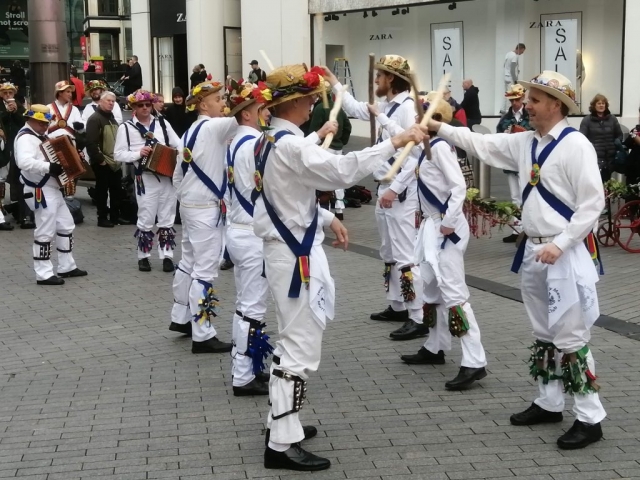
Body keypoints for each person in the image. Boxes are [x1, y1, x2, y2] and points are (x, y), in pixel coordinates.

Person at [251, 63, 427, 471]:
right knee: (298, 346)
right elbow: (340, 170)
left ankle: (283, 425)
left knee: (293, 342)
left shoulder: (270, 140)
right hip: (293, 254)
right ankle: (280, 443)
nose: (315, 102)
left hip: (287, 249)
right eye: (310, 98)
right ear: (292, 103)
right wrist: (393, 142)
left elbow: (292, 188)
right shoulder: (289, 145)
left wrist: (329, 219)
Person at [428, 70, 606, 450]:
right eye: (527, 98)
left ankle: (590, 418)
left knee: (571, 336)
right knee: (543, 332)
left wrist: (561, 243)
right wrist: (439, 127)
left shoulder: (576, 146)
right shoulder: (524, 142)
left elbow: (593, 204)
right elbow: (480, 143)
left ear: (555, 105)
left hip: (564, 254)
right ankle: (549, 401)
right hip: (532, 252)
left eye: (535, 99)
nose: (526, 104)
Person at [326, 55, 426, 342]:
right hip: (385, 187)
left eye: (378, 77)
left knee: (405, 253)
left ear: (391, 79)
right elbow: (356, 108)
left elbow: (416, 157)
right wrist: (334, 84)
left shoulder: (407, 110)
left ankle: (417, 314)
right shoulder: (386, 105)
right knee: (388, 251)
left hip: (401, 190)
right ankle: (397, 304)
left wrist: (396, 189)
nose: (375, 81)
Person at [399, 94, 487, 390]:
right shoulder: (426, 149)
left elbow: (459, 186)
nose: (413, 120)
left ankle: (474, 361)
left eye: (418, 115)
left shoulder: (439, 148)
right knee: (431, 288)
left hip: (444, 228)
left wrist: (448, 222)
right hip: (431, 226)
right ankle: (436, 346)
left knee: (453, 293)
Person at [170, 81, 235, 354]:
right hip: (205, 209)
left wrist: (186, 198)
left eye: (222, 98)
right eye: (218, 99)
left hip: (189, 206)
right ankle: (203, 333)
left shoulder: (190, 131)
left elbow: (177, 176)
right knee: (205, 270)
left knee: (189, 261)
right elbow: (244, 115)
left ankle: (181, 317)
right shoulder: (211, 126)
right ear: (203, 105)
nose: (223, 103)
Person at [223, 78, 271, 395]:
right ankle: (243, 375)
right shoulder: (253, 144)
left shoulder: (235, 142)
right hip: (251, 234)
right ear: (247, 114)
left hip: (238, 231)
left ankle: (250, 365)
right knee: (252, 307)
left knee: (245, 304)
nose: (266, 113)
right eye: (261, 108)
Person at [14, 105, 88, 285]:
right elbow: (23, 162)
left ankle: (66, 266)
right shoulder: (25, 138)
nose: (45, 126)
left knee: (65, 225)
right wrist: (49, 167)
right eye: (41, 122)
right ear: (30, 120)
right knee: (45, 231)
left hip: (51, 189)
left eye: (46, 122)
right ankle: (44, 273)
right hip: (40, 189)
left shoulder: (41, 136)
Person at [114, 90, 181, 272]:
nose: (145, 108)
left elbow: (178, 144)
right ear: (133, 108)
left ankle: (167, 256)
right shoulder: (126, 128)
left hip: (167, 177)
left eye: (148, 105)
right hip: (146, 178)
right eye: (140, 105)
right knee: (146, 217)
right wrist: (138, 153)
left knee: (167, 217)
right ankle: (143, 256)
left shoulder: (162, 123)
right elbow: (118, 154)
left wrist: (176, 154)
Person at [85, 91, 127, 228]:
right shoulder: (94, 119)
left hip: (115, 161)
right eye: (108, 101)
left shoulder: (112, 118)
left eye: (113, 101)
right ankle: (102, 218)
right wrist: (100, 160)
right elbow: (91, 143)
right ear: (101, 102)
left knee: (116, 190)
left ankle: (115, 217)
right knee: (102, 191)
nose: (111, 103)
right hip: (102, 162)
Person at [497, 84, 533, 243]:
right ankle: (517, 229)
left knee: (529, 196)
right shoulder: (505, 118)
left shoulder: (531, 114)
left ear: (523, 98)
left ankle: (529, 228)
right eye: (512, 100)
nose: (514, 103)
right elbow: (499, 136)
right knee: (515, 197)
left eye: (517, 100)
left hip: (528, 161)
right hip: (511, 162)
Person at [308, 92, 352, 220]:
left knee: (324, 179)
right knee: (339, 177)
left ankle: (324, 208)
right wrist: (342, 141)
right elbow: (348, 126)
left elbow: (314, 129)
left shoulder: (320, 108)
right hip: (338, 148)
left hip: (325, 148)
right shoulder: (339, 109)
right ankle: (339, 208)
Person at [0, 82, 30, 228]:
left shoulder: (19, 105)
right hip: (4, 146)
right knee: (3, 175)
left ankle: (17, 206)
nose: (7, 96)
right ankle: (5, 205)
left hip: (18, 144)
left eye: (10, 93)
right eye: (5, 93)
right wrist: (6, 112)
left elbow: (25, 122)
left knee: (16, 173)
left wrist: (16, 111)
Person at [579, 94, 622, 183]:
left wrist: (616, 144)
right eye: (599, 103)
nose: (601, 105)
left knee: (606, 184)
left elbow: (619, 135)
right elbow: (581, 138)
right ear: (594, 106)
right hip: (594, 159)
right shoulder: (587, 120)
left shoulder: (612, 119)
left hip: (609, 159)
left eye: (603, 103)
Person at [503, 43, 526, 113]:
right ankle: (507, 110)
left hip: (506, 76)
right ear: (520, 49)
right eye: (522, 51)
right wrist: (515, 81)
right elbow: (512, 70)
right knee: (510, 95)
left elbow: (505, 65)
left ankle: (503, 109)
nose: (522, 53)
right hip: (511, 78)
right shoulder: (514, 56)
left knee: (506, 93)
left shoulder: (508, 54)